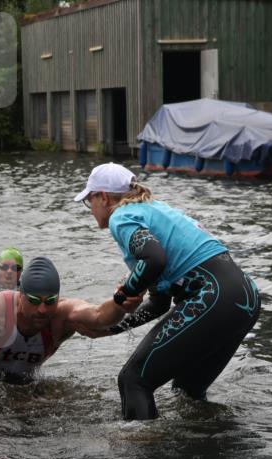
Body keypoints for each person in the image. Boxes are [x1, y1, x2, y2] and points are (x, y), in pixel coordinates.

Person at [74, 162, 261, 420]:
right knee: (187, 391)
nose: (90, 209)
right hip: (244, 297)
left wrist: (123, 294)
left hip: (215, 296)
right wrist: (110, 329)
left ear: (103, 196)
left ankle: (142, 455)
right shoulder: (151, 211)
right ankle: (205, 452)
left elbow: (154, 259)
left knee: (133, 380)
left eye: (89, 201)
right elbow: (160, 303)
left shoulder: (121, 216)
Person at [0, 257, 141, 384]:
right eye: (34, 300)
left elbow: (100, 317)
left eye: (50, 300)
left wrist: (122, 302)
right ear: (20, 295)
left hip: (21, 383)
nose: (43, 309)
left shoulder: (61, 315)